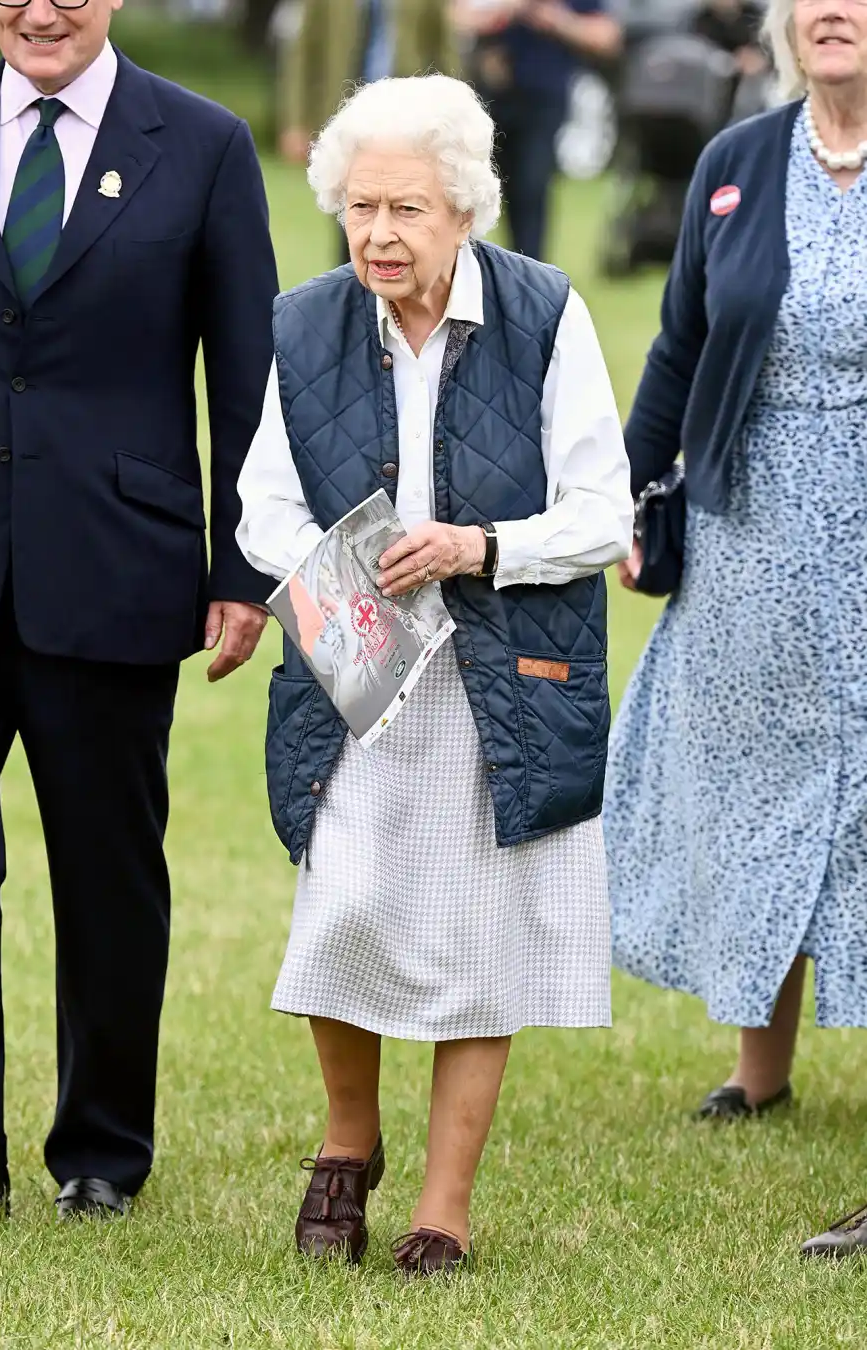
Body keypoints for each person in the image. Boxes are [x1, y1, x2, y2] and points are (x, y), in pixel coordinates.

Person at [237, 72, 632, 1275]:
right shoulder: (305, 322)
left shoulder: (546, 312)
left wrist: (479, 546)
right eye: (360, 209)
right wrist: (342, 569)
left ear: (465, 210)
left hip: (503, 669)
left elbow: (602, 509)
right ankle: (348, 1143)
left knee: (481, 940)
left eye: (407, 210)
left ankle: (442, 1211)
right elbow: (261, 504)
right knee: (342, 906)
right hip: (359, 672)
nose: (379, 235)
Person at [0, 0, 278, 1217]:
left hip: (113, 565)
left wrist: (242, 570)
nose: (42, 10)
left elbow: (246, 373)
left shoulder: (201, 143)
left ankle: (100, 1152)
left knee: (106, 877)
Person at [600, 0, 867, 1259]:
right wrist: (639, 498)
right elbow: (681, 347)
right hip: (754, 534)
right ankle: (759, 1068)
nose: (834, 9)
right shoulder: (736, 162)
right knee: (758, 787)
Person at [279, 0, 458, 262]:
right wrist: (296, 121)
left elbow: (444, 52)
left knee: (404, 211)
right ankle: (353, 289)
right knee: (351, 215)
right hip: (344, 118)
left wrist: (453, 120)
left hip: (409, 119)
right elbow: (304, 51)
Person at [451, 0, 622, 261]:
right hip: (485, 95)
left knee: (531, 185)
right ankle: (473, 267)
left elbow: (606, 37)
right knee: (477, 188)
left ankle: (529, 268)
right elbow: (455, 17)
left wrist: (560, 21)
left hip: (542, 96)